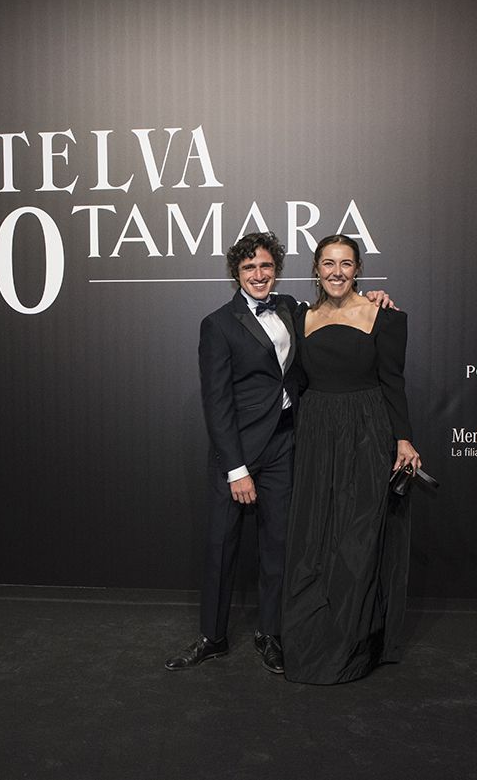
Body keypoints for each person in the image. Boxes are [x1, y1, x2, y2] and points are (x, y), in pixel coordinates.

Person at [165, 232, 394, 674]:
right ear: (236, 274)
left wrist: (374, 297)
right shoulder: (218, 324)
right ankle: (212, 637)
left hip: (286, 444)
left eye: (266, 266)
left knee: (279, 545)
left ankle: (269, 633)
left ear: (277, 270)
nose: (258, 274)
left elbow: (339, 309)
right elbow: (217, 402)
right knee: (221, 545)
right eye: (249, 267)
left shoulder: (291, 308)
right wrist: (236, 469)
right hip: (237, 452)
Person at [281, 234, 421, 685]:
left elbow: (393, 381)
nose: (336, 272)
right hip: (316, 433)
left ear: (358, 269)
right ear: (316, 269)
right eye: (328, 263)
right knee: (315, 536)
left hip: (366, 430)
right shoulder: (299, 316)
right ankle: (310, 639)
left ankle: (351, 646)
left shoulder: (385, 316)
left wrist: (403, 439)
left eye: (345, 263)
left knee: (357, 538)